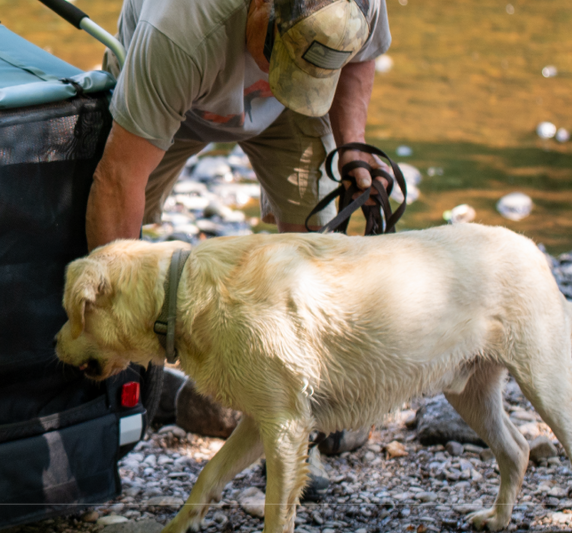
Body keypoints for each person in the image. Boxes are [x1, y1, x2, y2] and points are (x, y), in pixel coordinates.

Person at [87, 0, 391, 461]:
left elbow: (361, 56)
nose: (275, 84)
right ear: (262, 13)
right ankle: (104, 391)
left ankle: (298, 425)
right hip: (179, 89)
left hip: (289, 117)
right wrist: (117, 322)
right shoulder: (180, 27)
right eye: (278, 65)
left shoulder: (359, 6)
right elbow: (119, 178)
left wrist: (351, 147)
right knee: (99, 227)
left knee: (317, 243)